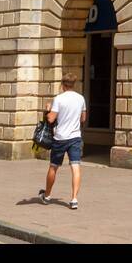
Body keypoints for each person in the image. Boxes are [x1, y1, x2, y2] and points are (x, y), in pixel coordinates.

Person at [39, 73, 86, 210]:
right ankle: (74, 199)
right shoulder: (80, 98)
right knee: (75, 167)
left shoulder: (58, 99)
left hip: (60, 138)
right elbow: (83, 119)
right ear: (74, 84)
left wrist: (48, 109)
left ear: (62, 84)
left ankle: (47, 196)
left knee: (54, 166)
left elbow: (51, 119)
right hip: (75, 137)